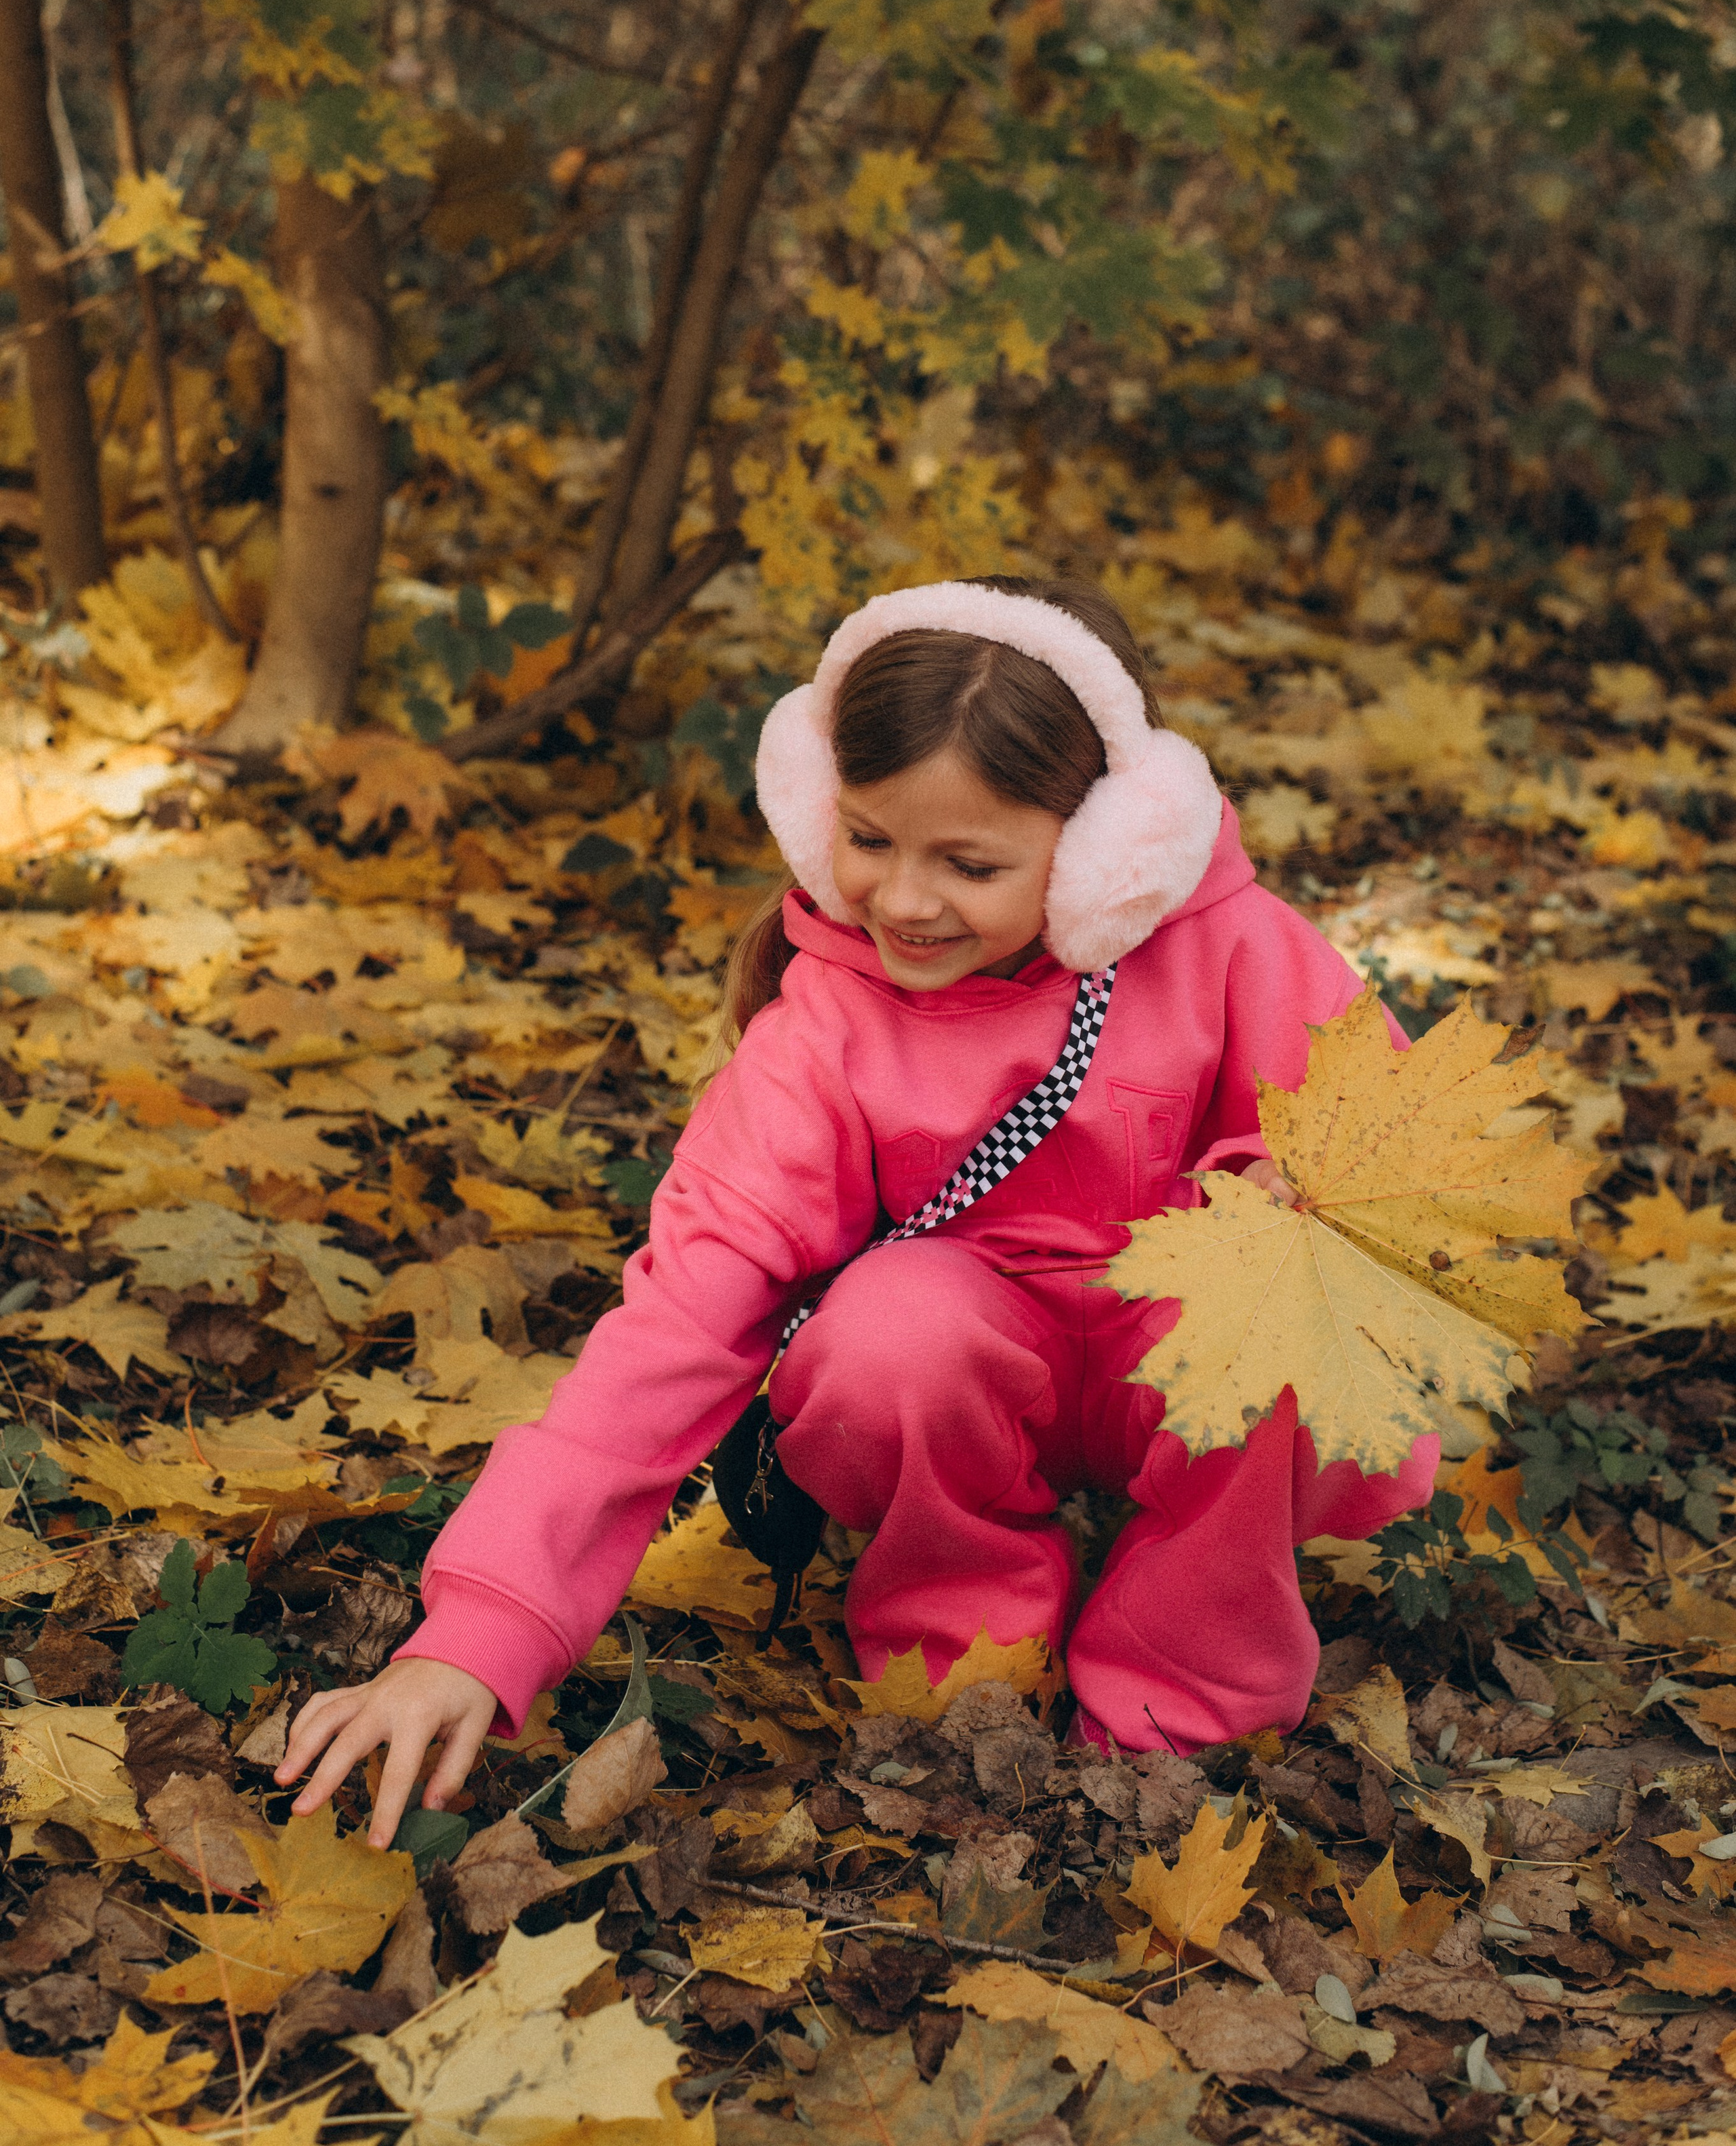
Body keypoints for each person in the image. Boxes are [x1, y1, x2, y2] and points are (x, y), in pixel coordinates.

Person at [279, 574, 1436, 1846]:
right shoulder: (826, 1025)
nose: (905, 901)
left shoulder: (1238, 949)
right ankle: (966, 1645)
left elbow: (1390, 1142)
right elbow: (678, 1323)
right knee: (891, 1329)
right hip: (965, 1373)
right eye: (871, 840)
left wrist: (1294, 1190)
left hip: (1189, 1353)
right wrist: (478, 1630)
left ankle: (1182, 1690)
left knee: (1289, 1303)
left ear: (1116, 845)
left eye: (970, 863)